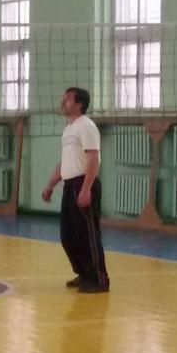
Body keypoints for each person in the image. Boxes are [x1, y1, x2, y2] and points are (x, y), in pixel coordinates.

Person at [41, 87, 109, 294]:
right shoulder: (69, 129)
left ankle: (99, 280)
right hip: (70, 185)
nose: (63, 102)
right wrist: (51, 184)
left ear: (79, 104)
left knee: (88, 235)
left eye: (68, 99)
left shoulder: (86, 126)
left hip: (83, 183)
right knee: (69, 236)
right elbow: (65, 162)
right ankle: (84, 274)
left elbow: (93, 159)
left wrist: (86, 188)